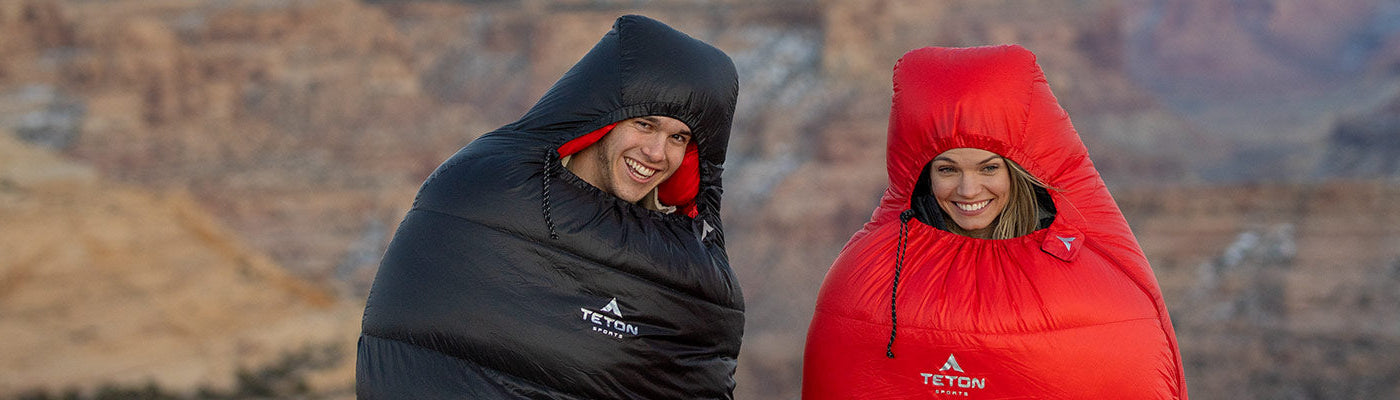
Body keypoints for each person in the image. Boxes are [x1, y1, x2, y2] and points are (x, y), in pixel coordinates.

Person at [356, 15, 744, 399]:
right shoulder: (489, 192)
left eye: (679, 138)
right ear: (606, 118)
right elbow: (409, 345)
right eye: (645, 124)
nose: (657, 152)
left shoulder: (686, 267)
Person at [802, 45, 1188, 398]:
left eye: (989, 168)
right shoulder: (869, 275)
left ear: (1017, 173)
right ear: (923, 176)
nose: (968, 190)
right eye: (947, 169)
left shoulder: (1089, 277)